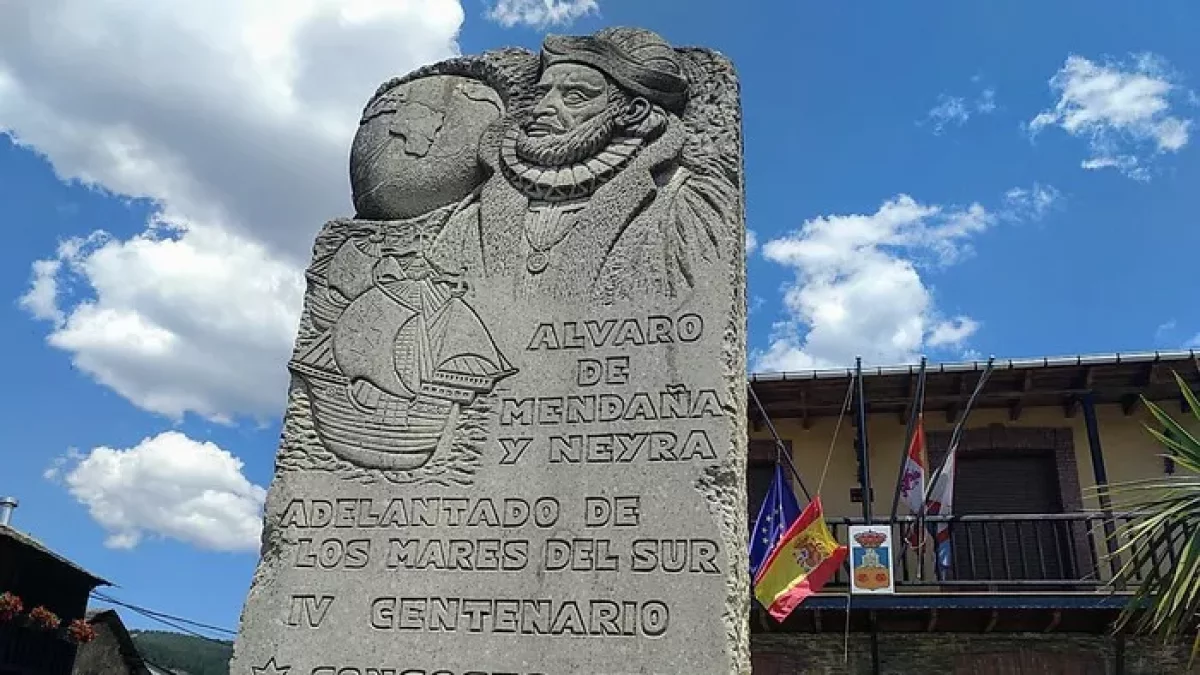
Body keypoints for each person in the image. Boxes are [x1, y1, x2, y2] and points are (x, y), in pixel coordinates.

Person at [433, 27, 733, 304]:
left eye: (574, 96)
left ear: (633, 113)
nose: (541, 109)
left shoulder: (683, 206)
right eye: (542, 93)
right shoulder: (475, 213)